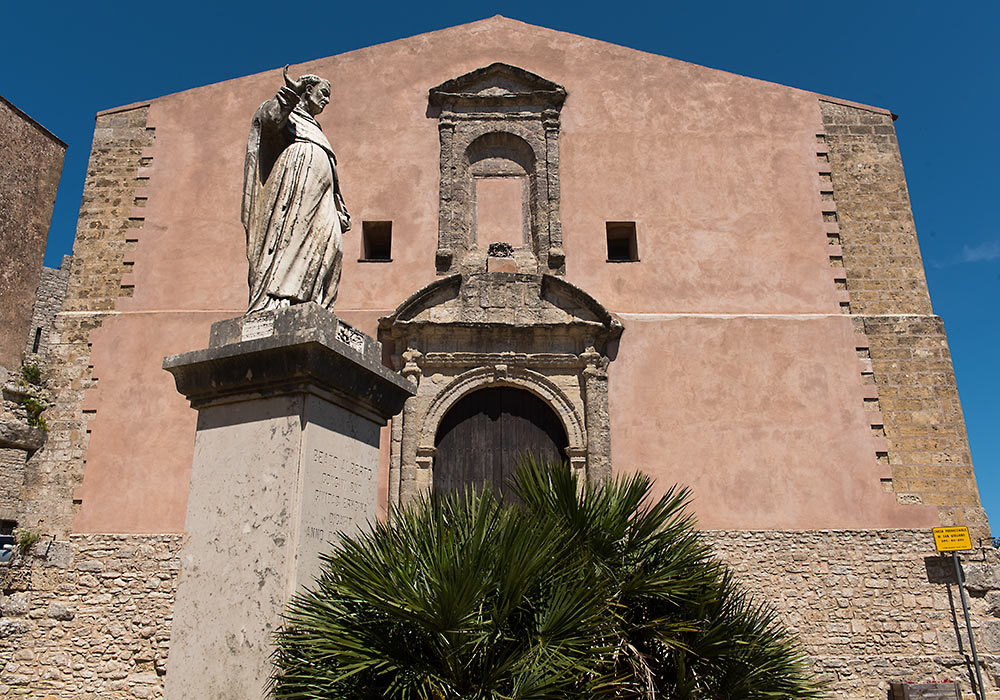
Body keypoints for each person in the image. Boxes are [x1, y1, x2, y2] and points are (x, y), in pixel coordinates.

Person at [242, 66, 351, 313]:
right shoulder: (290, 115)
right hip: (297, 182)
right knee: (290, 237)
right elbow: (269, 120)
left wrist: (338, 204)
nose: (326, 99)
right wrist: (291, 92)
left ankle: (315, 302)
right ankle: (278, 299)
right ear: (308, 90)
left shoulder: (316, 128)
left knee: (332, 246)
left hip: (323, 195)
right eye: (323, 93)